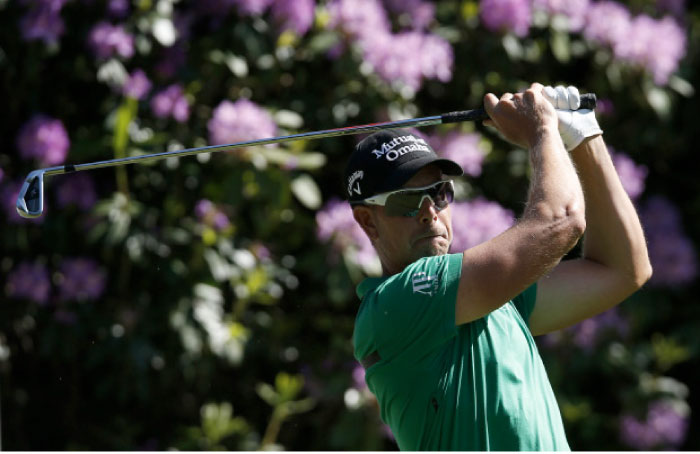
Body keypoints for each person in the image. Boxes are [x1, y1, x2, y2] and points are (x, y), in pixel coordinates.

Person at [343, 83, 652, 451]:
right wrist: (542, 131)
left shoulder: (492, 297)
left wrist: (584, 136)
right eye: (406, 201)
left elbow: (622, 269)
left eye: (439, 193)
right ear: (367, 221)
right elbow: (561, 222)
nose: (430, 213)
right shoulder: (395, 304)